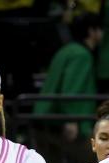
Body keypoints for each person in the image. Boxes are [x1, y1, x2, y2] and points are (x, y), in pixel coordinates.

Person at [34, 12, 103, 140]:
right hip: (61, 123)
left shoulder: (67, 50)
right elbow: (71, 89)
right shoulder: (81, 55)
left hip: (46, 117)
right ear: (92, 31)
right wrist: (71, 120)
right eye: (101, 29)